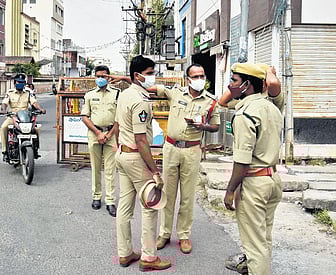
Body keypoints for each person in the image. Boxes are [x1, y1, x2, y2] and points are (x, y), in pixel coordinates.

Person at [222, 64, 284, 274]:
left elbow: (242, 162)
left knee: (254, 247)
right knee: (263, 239)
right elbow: (274, 85)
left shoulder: (244, 115)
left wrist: (230, 191)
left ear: (247, 85)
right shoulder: (272, 107)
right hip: (273, 180)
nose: (230, 85)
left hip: (254, 183)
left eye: (235, 81)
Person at [154, 64, 220, 254]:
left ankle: (184, 235)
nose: (200, 79)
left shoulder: (210, 101)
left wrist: (203, 126)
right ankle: (164, 233)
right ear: (187, 79)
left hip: (192, 150)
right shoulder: (176, 93)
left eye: (202, 75)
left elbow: (215, 126)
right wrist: (132, 80)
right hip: (171, 148)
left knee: (188, 196)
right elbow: (155, 88)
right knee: (167, 193)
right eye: (195, 76)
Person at [114, 55, 171, 271]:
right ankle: (149, 258)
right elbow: (141, 140)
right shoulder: (140, 100)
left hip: (122, 154)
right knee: (150, 205)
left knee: (125, 206)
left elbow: (118, 125)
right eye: (149, 73)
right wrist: (154, 170)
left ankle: (125, 253)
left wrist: (118, 147)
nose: (152, 77)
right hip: (136, 157)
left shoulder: (125, 94)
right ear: (137, 76)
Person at [81, 65, 120, 217]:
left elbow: (119, 118)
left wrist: (109, 135)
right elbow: (85, 116)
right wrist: (98, 132)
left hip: (111, 134)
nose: (101, 79)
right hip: (94, 133)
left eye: (104, 76)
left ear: (109, 77)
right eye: (98, 76)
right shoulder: (89, 95)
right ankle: (96, 197)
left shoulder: (117, 94)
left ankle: (110, 201)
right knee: (96, 168)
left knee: (110, 169)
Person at [0, 73, 46, 162]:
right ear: (14, 83)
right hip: (13, 116)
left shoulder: (28, 93)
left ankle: (35, 149)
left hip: (25, 117)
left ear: (24, 84)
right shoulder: (10, 93)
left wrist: (41, 109)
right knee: (3, 127)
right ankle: (5, 151)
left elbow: (34, 103)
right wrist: (3, 110)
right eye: (18, 82)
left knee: (36, 129)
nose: (20, 84)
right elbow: (4, 103)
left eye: (22, 82)